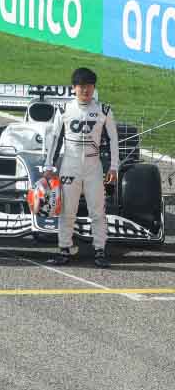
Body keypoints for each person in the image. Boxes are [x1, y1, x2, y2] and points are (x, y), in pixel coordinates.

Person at [43, 67, 118, 268]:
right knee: (67, 210)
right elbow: (55, 138)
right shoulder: (64, 110)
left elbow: (113, 140)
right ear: (74, 88)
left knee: (98, 211)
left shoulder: (104, 110)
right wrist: (48, 165)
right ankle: (64, 249)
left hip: (94, 167)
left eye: (90, 87)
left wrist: (114, 167)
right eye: (82, 87)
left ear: (94, 88)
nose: (86, 91)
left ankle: (100, 250)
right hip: (70, 165)